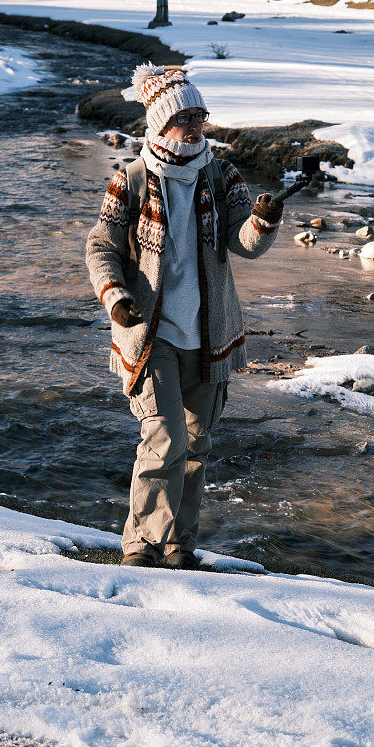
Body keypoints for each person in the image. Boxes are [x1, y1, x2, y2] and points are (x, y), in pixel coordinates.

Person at [86, 63, 283, 569]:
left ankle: (178, 545)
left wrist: (263, 221)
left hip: (209, 335)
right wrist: (115, 297)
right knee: (164, 438)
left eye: (199, 115)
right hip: (150, 336)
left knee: (196, 444)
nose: (194, 126)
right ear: (158, 123)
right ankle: (141, 547)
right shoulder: (129, 179)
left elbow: (245, 242)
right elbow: (101, 248)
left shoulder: (220, 174)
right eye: (183, 117)